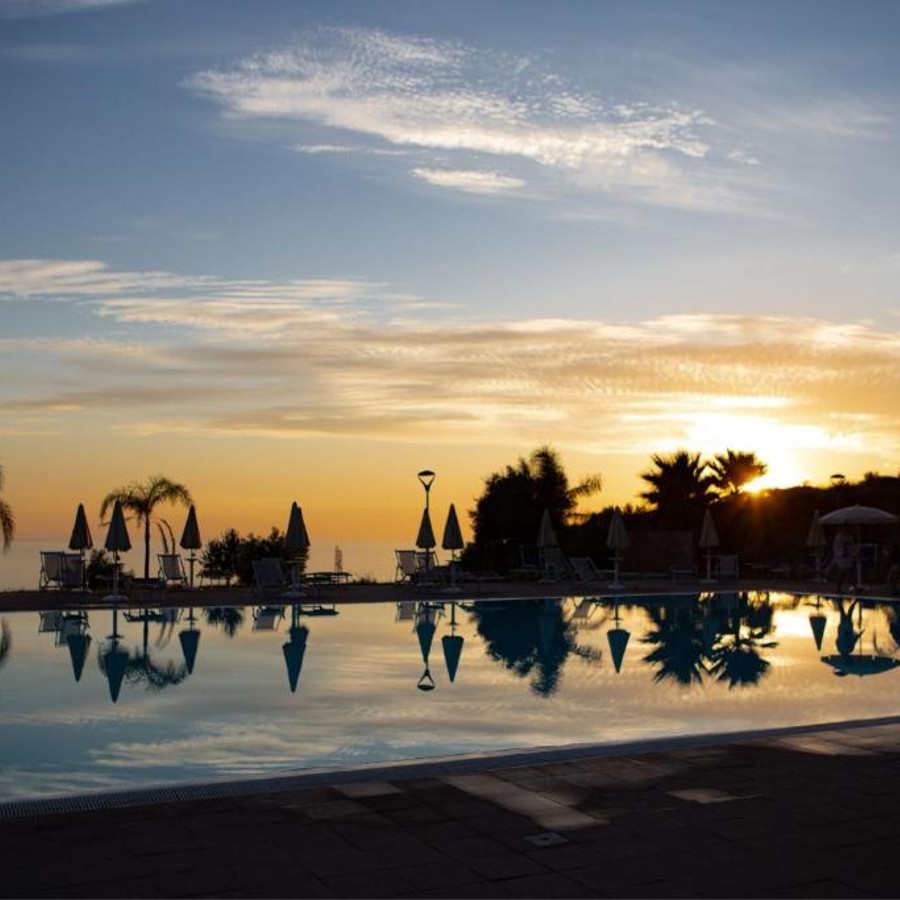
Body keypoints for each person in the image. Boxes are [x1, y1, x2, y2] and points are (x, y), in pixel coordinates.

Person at [830, 527, 856, 593]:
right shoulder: (839, 537)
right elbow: (837, 546)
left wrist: (853, 553)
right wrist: (842, 553)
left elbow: (852, 545)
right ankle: (854, 587)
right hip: (842, 558)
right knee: (846, 573)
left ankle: (839, 588)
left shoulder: (849, 536)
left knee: (844, 574)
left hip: (848, 557)